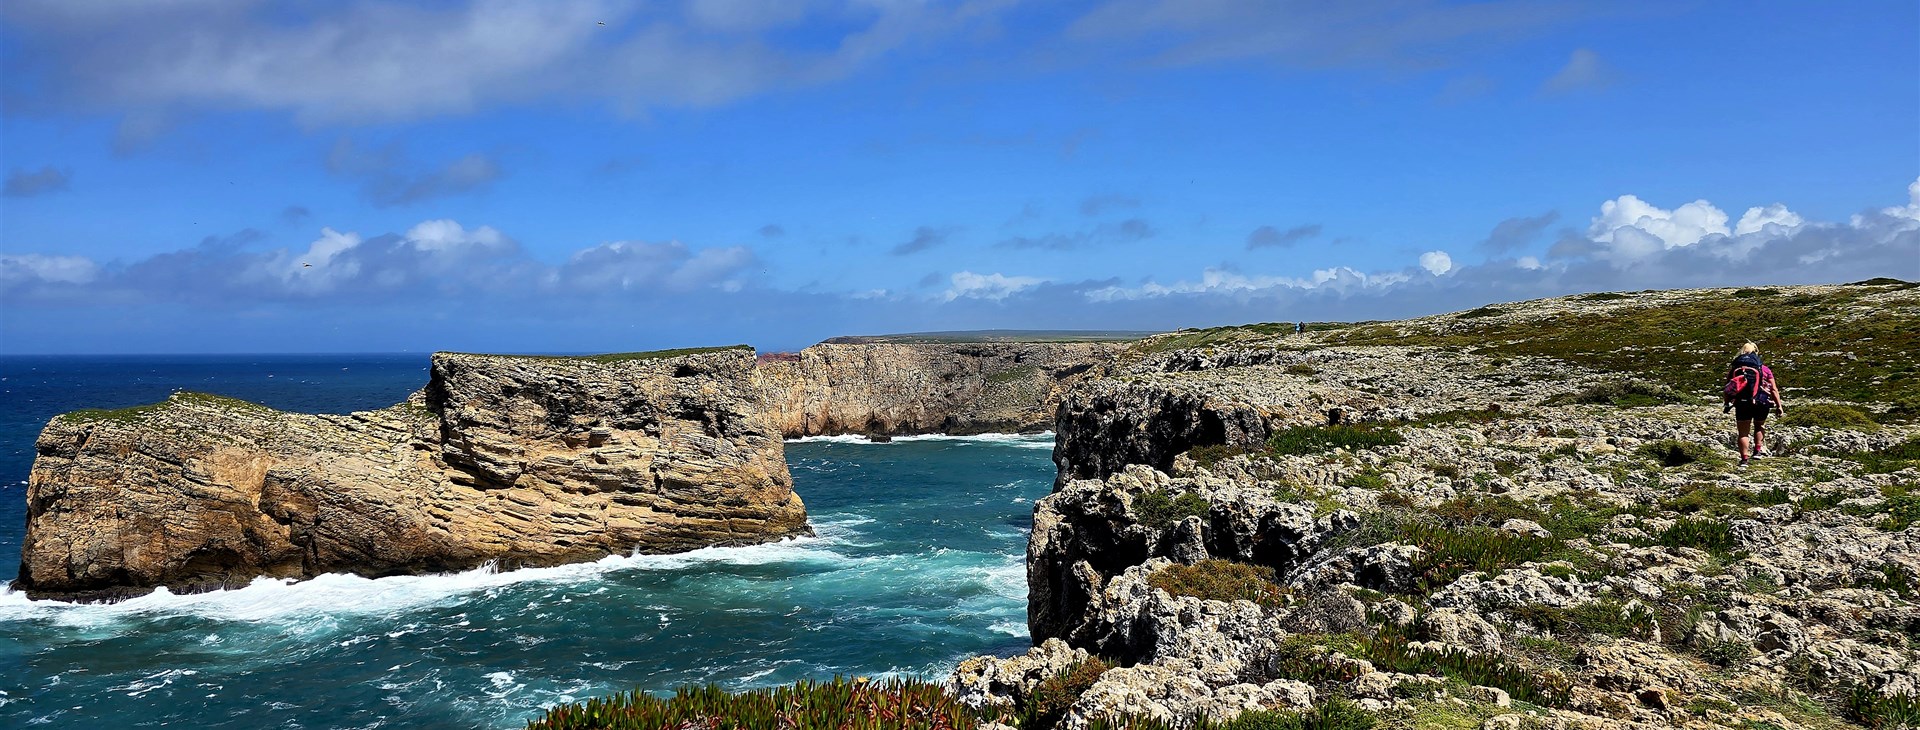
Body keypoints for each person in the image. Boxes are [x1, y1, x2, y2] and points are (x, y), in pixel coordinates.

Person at [1722, 342, 1784, 467]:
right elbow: (1773, 389)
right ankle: (1757, 451)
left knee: (1743, 433)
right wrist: (1779, 406)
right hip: (1761, 402)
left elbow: (1728, 388)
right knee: (1759, 426)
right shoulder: (1764, 369)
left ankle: (1744, 460)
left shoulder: (1735, 369)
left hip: (1742, 403)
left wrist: (1727, 403)